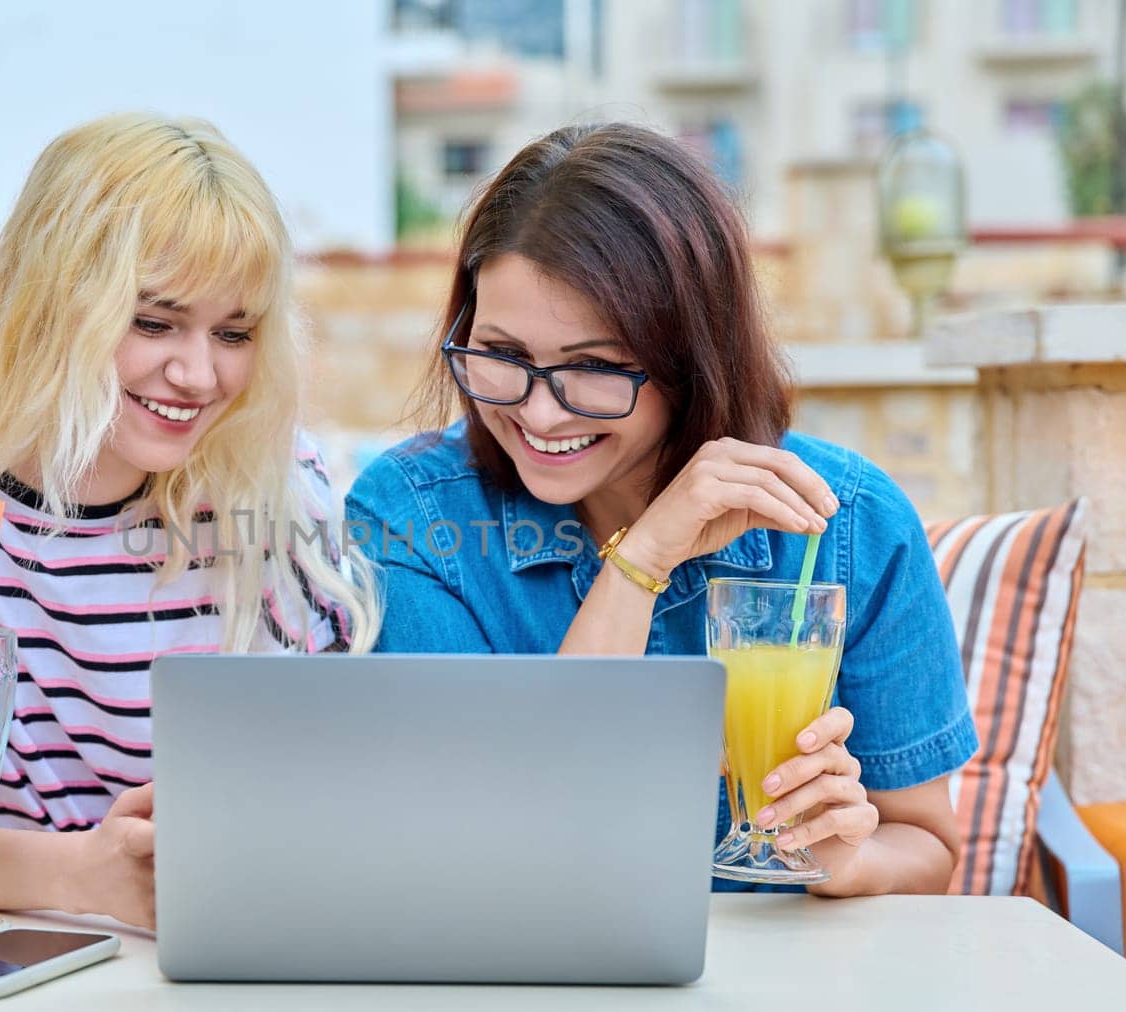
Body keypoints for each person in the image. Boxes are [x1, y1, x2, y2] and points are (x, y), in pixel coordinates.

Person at [0, 114, 380, 929]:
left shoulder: (267, 479)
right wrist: (87, 874)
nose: (198, 374)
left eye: (235, 333)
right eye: (153, 321)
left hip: (197, 957)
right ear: (53, 300)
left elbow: (307, 810)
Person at [346, 123, 976, 896]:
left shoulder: (851, 523)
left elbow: (930, 847)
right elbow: (496, 836)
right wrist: (640, 562)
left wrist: (845, 858)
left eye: (597, 368)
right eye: (503, 356)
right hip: (516, 994)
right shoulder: (413, 518)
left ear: (695, 359)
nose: (541, 416)